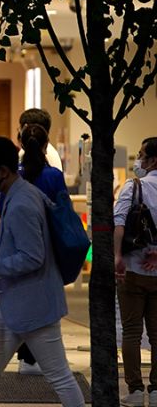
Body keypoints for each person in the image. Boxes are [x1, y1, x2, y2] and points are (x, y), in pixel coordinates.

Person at [0, 137, 84, 407]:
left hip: (34, 309)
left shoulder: (21, 204)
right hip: (16, 305)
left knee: (59, 377)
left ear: (3, 171)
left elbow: (32, 257)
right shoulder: (22, 194)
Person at [9, 117, 69, 375]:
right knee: (46, 302)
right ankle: (41, 358)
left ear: (21, 142)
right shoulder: (53, 176)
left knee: (21, 298)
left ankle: (26, 357)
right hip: (48, 247)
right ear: (46, 145)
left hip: (19, 248)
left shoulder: (15, 177)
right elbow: (63, 210)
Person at [114, 137, 157, 406]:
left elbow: (118, 222)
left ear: (152, 160)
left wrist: (117, 256)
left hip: (132, 268)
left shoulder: (134, 186)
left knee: (131, 331)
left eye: (141, 155)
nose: (137, 161)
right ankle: (156, 392)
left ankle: (134, 390)